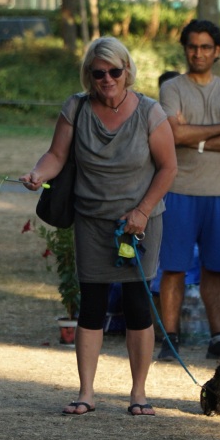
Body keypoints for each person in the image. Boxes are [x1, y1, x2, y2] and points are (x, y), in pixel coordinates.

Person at [20, 37, 177, 416]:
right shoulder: (76, 108)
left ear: (127, 71)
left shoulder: (150, 113)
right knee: (91, 305)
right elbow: (57, 155)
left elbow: (169, 168)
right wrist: (38, 174)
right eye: (98, 73)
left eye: (114, 71)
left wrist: (141, 211)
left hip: (138, 223)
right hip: (92, 220)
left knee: (138, 305)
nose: (107, 79)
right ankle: (86, 392)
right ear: (88, 75)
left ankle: (138, 393)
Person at [157, 19, 220, 362]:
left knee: (217, 268)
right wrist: (219, 129)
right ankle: (170, 338)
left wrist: (195, 137)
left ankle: (218, 337)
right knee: (174, 267)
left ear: (218, 51)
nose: (199, 53)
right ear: (185, 49)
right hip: (179, 188)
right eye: (193, 46)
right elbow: (173, 135)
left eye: (206, 47)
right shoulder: (172, 88)